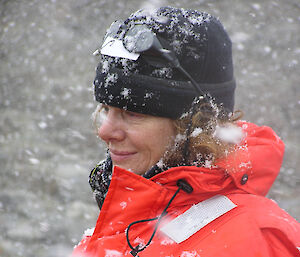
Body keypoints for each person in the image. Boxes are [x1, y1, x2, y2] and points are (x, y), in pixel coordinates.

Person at [72, 6, 300, 257]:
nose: (105, 131)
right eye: (106, 109)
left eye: (133, 114)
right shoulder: (127, 222)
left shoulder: (259, 239)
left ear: (196, 125)